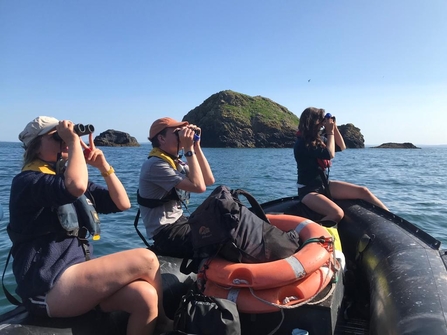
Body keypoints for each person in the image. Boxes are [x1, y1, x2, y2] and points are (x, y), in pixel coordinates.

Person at [8, 116, 171, 335]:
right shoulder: (28, 182)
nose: (65, 141)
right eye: (57, 137)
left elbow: (122, 203)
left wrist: (103, 167)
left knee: (144, 296)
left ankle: (157, 318)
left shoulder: (65, 180)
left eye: (65, 137)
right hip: (48, 288)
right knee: (147, 258)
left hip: (76, 282)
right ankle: (164, 323)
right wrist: (74, 142)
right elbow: (75, 186)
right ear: (36, 148)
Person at [294, 107, 388, 224]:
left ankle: (391, 218)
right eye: (321, 120)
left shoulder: (318, 140)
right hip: (308, 191)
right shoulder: (302, 143)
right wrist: (330, 132)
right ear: (314, 122)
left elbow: (341, 147)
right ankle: (311, 233)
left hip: (324, 185)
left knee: (363, 191)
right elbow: (329, 154)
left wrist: (334, 128)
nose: (323, 124)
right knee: (337, 213)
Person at [138, 117, 215, 258]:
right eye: (177, 132)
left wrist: (196, 146)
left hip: (180, 223)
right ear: (161, 139)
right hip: (166, 234)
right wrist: (188, 149)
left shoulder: (175, 162)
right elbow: (199, 187)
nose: (183, 135)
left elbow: (208, 180)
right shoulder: (155, 165)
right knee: (220, 238)